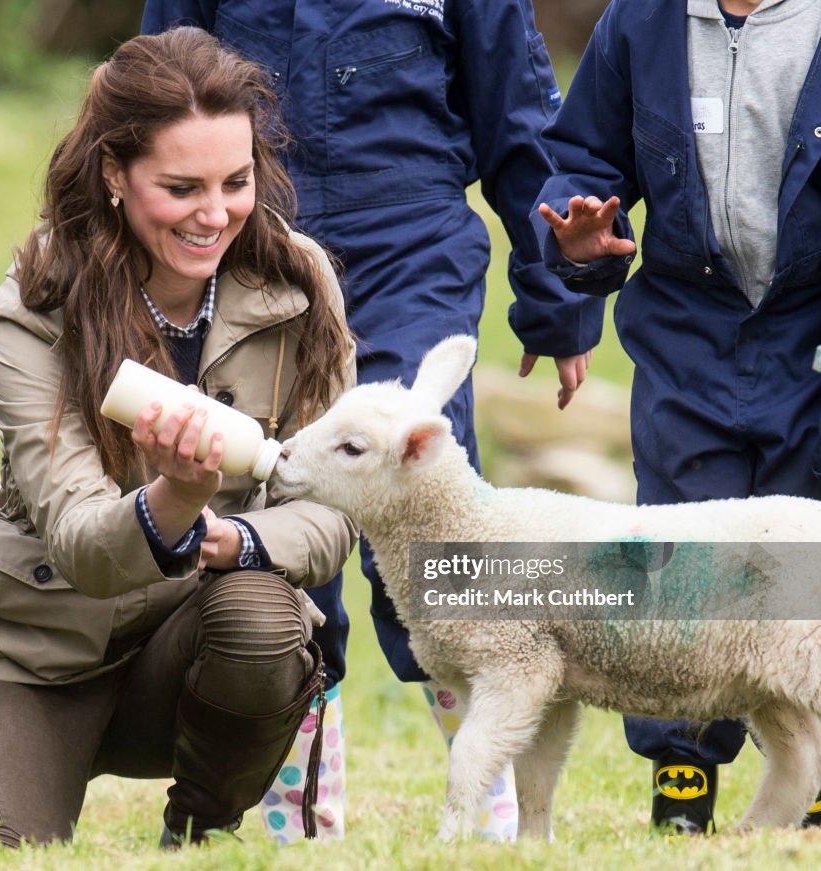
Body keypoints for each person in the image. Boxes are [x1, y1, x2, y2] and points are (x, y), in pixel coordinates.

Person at [0, 27, 357, 853]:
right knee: (2, 849)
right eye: (181, 187)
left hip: (194, 648)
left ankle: (201, 826)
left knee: (261, 612)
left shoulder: (299, 281)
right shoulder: (34, 304)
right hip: (40, 651)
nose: (216, 214)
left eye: (236, 182)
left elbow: (331, 510)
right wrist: (176, 494)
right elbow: (78, 543)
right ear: (115, 173)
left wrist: (234, 536)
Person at [142, 1, 605, 842]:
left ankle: (490, 814)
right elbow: (158, 94)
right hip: (255, 247)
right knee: (272, 515)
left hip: (412, 242)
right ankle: (298, 823)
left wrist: (557, 300)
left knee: (429, 513)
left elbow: (518, 120)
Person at [533, 0, 821, 835]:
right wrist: (580, 237)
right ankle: (682, 775)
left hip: (808, 333)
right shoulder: (641, 24)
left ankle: (811, 770)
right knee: (682, 551)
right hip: (689, 334)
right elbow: (581, 160)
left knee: (804, 550)